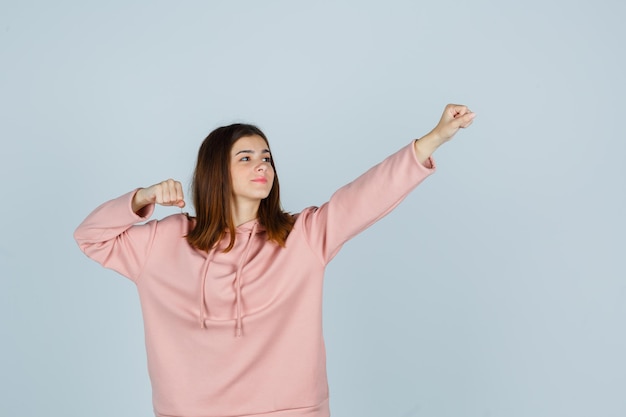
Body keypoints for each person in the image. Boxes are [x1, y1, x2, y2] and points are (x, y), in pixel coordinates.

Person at [74, 104, 475, 417]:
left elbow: (365, 195)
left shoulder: (303, 236)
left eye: (266, 157)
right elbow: (90, 236)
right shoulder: (164, 241)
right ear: (216, 171)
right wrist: (141, 199)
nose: (262, 165)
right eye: (245, 158)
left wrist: (435, 138)